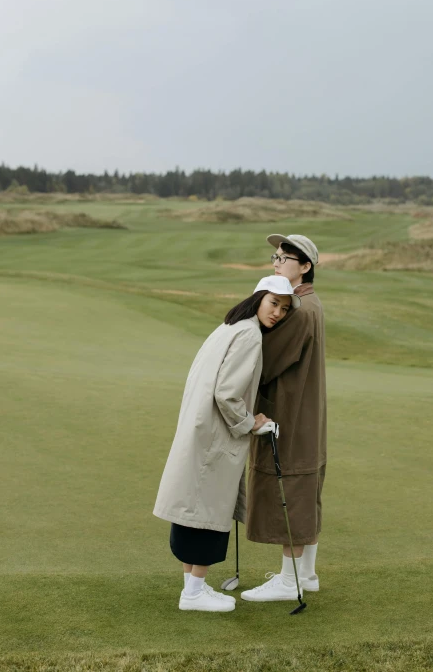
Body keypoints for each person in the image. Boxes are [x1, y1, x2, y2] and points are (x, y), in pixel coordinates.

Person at [153, 275, 301, 612]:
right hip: (215, 437)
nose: (277, 312)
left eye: (284, 308)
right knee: (205, 514)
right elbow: (227, 394)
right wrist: (251, 423)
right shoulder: (249, 335)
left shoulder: (231, 326)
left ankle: (193, 588)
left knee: (194, 510)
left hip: (202, 432)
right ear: (259, 298)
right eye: (273, 303)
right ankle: (193, 594)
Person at [242, 234, 327, 603]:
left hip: (290, 415)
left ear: (305, 266)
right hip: (304, 416)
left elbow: (265, 362)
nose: (276, 262)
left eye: (285, 257)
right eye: (275, 256)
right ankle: (305, 575)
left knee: (290, 491)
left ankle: (289, 581)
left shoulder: (300, 311)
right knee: (303, 491)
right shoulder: (308, 304)